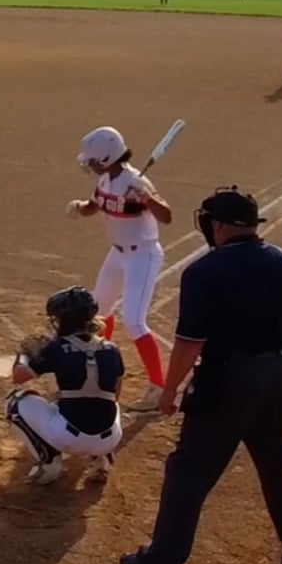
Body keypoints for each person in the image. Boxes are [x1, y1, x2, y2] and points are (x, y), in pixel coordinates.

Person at [118, 187, 282, 564]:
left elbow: (190, 343)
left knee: (189, 470)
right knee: (278, 462)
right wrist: (280, 373)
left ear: (219, 226)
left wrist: (169, 391)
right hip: (279, 373)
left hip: (228, 379)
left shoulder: (205, 271)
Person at [66, 126, 174, 412]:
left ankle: (159, 387)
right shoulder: (105, 179)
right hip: (117, 253)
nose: (89, 164)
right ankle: (104, 366)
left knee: (134, 321)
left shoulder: (137, 181)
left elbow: (166, 216)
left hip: (143, 255)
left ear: (105, 157)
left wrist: (146, 197)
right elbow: (95, 205)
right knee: (99, 312)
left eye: (92, 159)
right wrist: (79, 207)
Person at [5, 286, 125, 485]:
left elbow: (19, 376)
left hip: (70, 438)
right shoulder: (112, 349)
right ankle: (102, 458)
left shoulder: (57, 348)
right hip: (110, 437)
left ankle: (49, 463)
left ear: (65, 320)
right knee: (105, 399)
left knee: (15, 402)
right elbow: (116, 392)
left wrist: (23, 355)